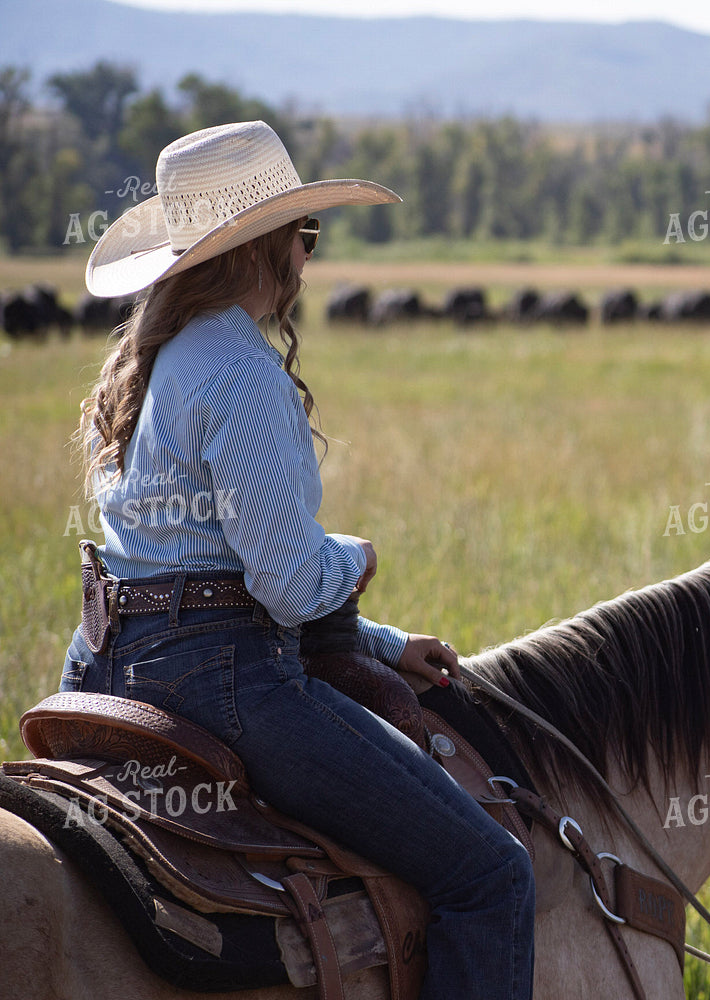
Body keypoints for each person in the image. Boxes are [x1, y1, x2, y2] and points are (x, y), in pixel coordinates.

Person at [63, 120, 534, 999]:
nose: (308, 258)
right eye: (304, 234)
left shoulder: (148, 359)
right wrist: (352, 559)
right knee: (492, 878)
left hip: (103, 662)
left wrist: (385, 645)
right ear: (268, 245)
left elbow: (193, 568)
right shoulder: (239, 373)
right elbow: (281, 584)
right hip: (224, 681)